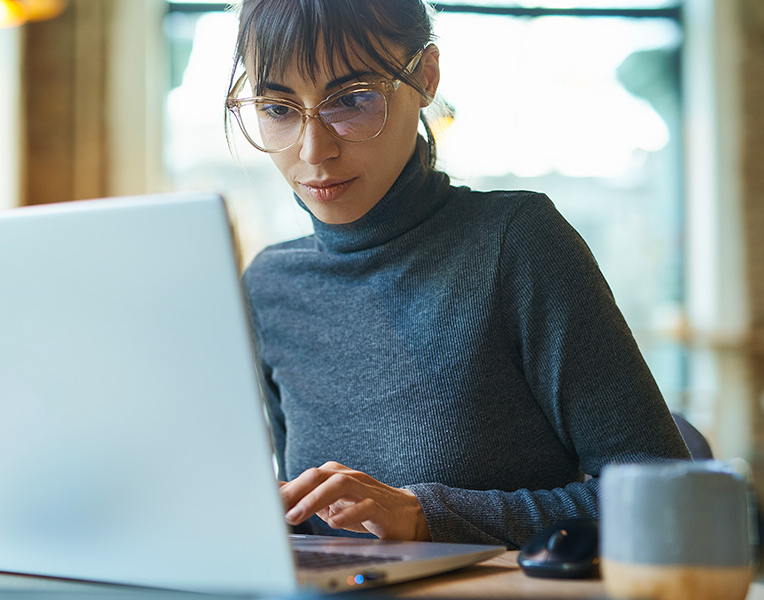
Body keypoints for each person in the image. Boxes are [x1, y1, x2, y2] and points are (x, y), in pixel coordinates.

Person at [225, 0, 692, 549]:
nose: (313, 150)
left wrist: (429, 516)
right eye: (278, 108)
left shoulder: (517, 241)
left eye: (351, 100)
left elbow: (671, 502)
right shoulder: (270, 287)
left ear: (425, 76)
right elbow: (307, 528)